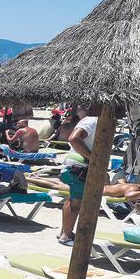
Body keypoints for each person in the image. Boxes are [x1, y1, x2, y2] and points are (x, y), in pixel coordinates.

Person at [58, 105, 99, 246]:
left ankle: (65, 232)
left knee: (72, 199)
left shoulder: (90, 120)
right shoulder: (93, 121)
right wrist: (92, 158)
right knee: (76, 203)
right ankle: (66, 235)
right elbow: (74, 138)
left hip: (73, 165)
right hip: (78, 167)